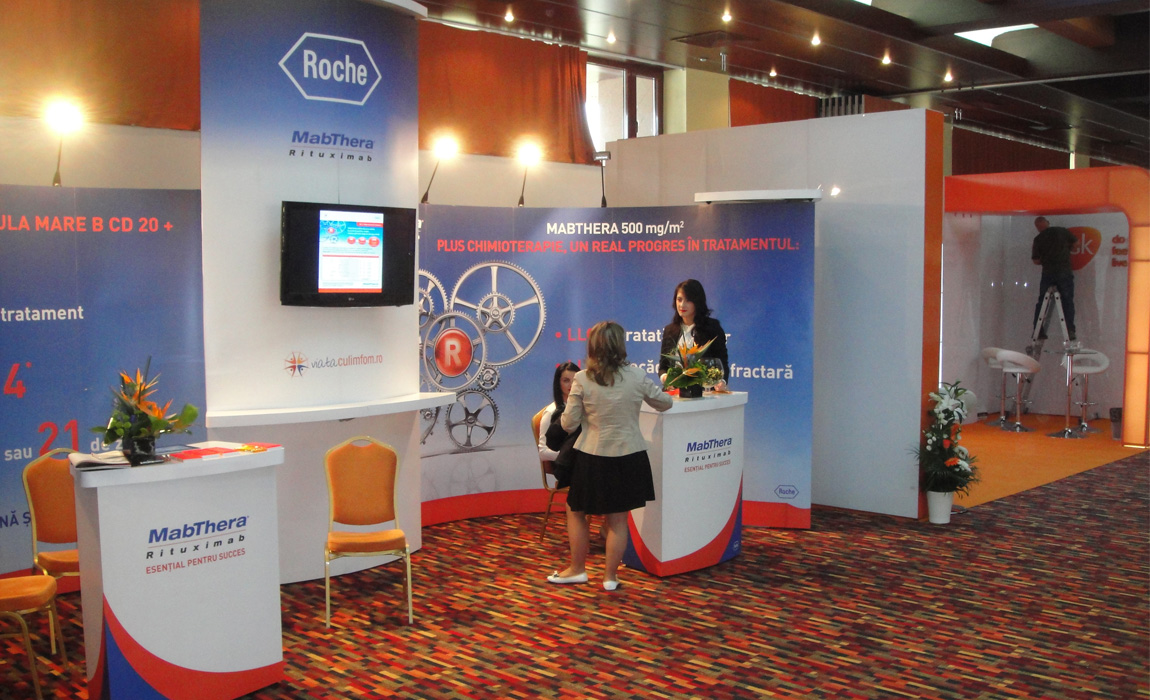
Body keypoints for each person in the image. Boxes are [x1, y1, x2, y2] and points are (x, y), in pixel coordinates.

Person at [547, 321, 672, 591]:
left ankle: (577, 570)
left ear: (592, 346)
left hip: (592, 456)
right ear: (620, 345)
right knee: (618, 520)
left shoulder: (582, 379)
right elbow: (665, 402)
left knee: (576, 511)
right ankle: (610, 578)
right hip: (630, 455)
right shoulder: (636, 375)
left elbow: (568, 423)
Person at [658, 279, 729, 381]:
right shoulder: (669, 330)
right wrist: (665, 378)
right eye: (679, 300)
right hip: (674, 388)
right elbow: (663, 367)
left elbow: (722, 363)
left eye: (688, 300)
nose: (682, 305)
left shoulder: (712, 327)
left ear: (697, 302)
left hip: (704, 389)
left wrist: (721, 382)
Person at [1031, 216, 1077, 341]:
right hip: (1064, 272)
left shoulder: (1038, 239)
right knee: (1067, 301)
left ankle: (1038, 330)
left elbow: (1036, 261)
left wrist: (1046, 259)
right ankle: (1070, 330)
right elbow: (1075, 244)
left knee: (1042, 301)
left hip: (1048, 273)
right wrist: (1065, 251)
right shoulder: (1061, 231)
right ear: (1047, 223)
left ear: (1037, 227)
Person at [537, 361, 580, 467]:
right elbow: (543, 452)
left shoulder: (587, 409)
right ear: (558, 383)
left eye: (575, 380)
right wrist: (569, 458)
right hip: (566, 468)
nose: (571, 385)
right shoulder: (551, 412)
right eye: (566, 380)